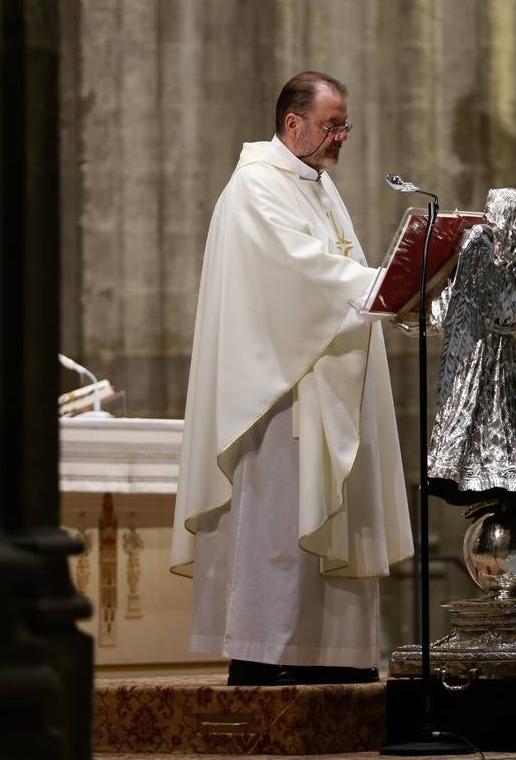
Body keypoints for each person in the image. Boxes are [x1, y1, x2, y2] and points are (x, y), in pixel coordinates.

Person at [169, 71, 413, 686]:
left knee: (327, 523)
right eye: (332, 125)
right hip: (277, 398)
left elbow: (335, 270)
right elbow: (301, 274)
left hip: (321, 387)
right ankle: (266, 656)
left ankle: (337, 659)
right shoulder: (256, 187)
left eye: (345, 125)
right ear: (292, 124)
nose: (342, 136)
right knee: (279, 530)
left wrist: (389, 283)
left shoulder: (319, 187)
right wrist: (384, 284)